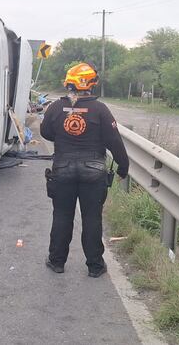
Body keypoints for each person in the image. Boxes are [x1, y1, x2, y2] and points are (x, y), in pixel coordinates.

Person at [40, 62, 129, 277]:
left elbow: (45, 132)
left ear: (69, 83)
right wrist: (123, 168)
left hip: (62, 169)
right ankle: (95, 266)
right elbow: (114, 141)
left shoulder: (55, 108)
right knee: (92, 218)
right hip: (94, 171)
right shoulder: (100, 110)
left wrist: (64, 137)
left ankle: (57, 262)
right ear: (92, 84)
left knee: (62, 216)